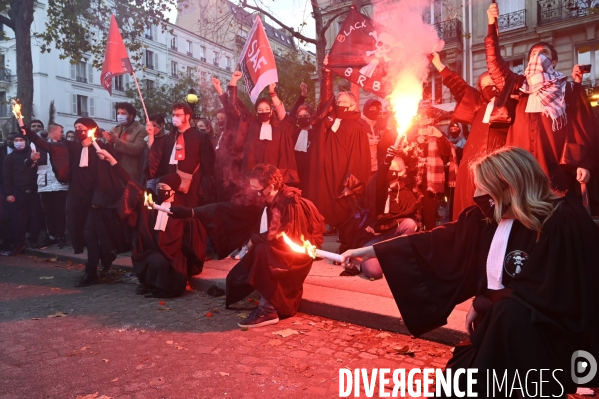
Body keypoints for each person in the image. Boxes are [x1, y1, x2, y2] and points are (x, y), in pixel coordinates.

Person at [341, 147, 599, 396]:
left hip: (535, 339)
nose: (476, 194)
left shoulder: (561, 221)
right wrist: (374, 252)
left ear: (509, 186)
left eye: (482, 187)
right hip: (494, 328)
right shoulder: (484, 220)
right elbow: (433, 243)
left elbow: (557, 290)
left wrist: (489, 301)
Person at [170, 164, 326, 328]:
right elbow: (229, 209)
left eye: (257, 190)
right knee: (243, 270)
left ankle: (268, 310)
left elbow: (289, 240)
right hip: (274, 250)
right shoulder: (265, 198)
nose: (255, 194)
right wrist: (192, 212)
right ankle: (265, 299)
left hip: (292, 257)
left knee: (262, 251)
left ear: (271, 187)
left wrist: (255, 239)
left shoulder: (290, 203)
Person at [485, 3, 598, 201]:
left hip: (556, 175)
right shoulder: (518, 86)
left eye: (543, 53)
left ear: (553, 62)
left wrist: (586, 163)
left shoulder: (570, 89)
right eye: (534, 54)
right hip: (520, 176)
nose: (538, 57)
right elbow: (494, 63)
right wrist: (491, 26)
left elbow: (587, 129)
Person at [97, 149, 206, 298]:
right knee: (157, 262)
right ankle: (148, 283)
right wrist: (111, 160)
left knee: (177, 282)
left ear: (174, 190)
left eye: (164, 188)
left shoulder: (181, 211)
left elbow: (191, 240)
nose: (160, 190)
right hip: (150, 250)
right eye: (159, 187)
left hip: (174, 254)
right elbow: (130, 181)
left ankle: (159, 286)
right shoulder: (150, 202)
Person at [25, 118, 122, 282]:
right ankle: (105, 256)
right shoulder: (73, 147)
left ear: (90, 130)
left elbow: (110, 173)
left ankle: (91, 272)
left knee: (89, 233)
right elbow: (48, 146)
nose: (78, 130)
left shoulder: (102, 148)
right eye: (76, 127)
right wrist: (27, 131)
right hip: (79, 198)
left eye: (81, 127)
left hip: (97, 199)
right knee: (83, 233)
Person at [430, 52, 509, 220]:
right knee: (469, 207)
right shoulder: (477, 103)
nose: (490, 87)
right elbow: (457, 85)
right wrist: (439, 64)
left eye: (493, 82)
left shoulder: (510, 103)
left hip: (500, 165)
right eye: (485, 84)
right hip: (472, 166)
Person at [308, 56, 371, 235]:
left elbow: (358, 159)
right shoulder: (331, 119)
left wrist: (349, 183)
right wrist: (326, 72)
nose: (339, 105)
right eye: (339, 102)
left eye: (344, 103)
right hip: (326, 176)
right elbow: (326, 99)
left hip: (342, 178)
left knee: (346, 214)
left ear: (352, 106)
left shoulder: (357, 127)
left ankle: (347, 242)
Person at [337, 148, 417, 279]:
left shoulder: (406, 195)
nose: (389, 172)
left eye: (393, 169)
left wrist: (381, 227)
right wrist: (386, 162)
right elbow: (378, 182)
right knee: (374, 273)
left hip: (391, 236)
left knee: (409, 224)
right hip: (372, 238)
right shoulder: (375, 189)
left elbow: (405, 216)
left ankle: (392, 257)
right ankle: (376, 258)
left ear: (401, 172)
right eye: (387, 169)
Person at [225, 71, 299, 185]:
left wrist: (272, 93)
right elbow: (235, 108)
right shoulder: (250, 125)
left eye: (266, 109)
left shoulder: (279, 130)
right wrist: (234, 82)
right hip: (252, 177)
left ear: (270, 112)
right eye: (260, 110)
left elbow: (284, 116)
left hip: (272, 179)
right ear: (256, 113)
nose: (263, 112)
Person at [146, 103, 215, 207]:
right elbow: (155, 155)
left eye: (178, 115)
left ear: (187, 116)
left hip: (192, 187)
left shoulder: (200, 137)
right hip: (171, 188)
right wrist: (150, 134)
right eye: (173, 115)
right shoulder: (169, 137)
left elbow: (208, 164)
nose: (174, 117)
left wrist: (204, 187)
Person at [2, 132, 42, 255]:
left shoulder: (32, 154)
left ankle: (33, 239)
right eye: (16, 140)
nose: (19, 142)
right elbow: (7, 177)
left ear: (26, 141)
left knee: (35, 216)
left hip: (34, 190)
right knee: (18, 219)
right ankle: (19, 242)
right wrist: (8, 193)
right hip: (18, 191)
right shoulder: (9, 158)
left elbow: (33, 167)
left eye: (21, 139)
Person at [37, 123, 69, 249]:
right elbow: (30, 163)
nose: (62, 133)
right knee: (48, 213)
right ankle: (51, 236)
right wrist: (32, 159)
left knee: (60, 212)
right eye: (61, 131)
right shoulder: (39, 144)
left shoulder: (64, 145)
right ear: (54, 131)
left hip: (60, 182)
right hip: (44, 182)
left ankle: (61, 237)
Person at [103, 102, 147, 182]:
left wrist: (117, 141)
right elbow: (107, 150)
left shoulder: (141, 130)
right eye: (118, 113)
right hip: (114, 172)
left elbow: (138, 149)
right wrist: (109, 142)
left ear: (131, 115)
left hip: (130, 173)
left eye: (123, 113)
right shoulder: (115, 129)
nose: (120, 116)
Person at [0, 132, 17, 250]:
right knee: (4, 214)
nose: (10, 141)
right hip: (2, 185)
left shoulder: (23, 152)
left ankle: (14, 238)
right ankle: (7, 238)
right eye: (9, 139)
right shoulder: (1, 150)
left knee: (15, 214)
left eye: (14, 139)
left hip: (18, 186)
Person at [359, 98, 383, 174]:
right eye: (372, 108)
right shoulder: (359, 123)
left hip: (374, 167)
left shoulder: (375, 126)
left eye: (377, 109)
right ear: (366, 108)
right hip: (362, 167)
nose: (375, 111)